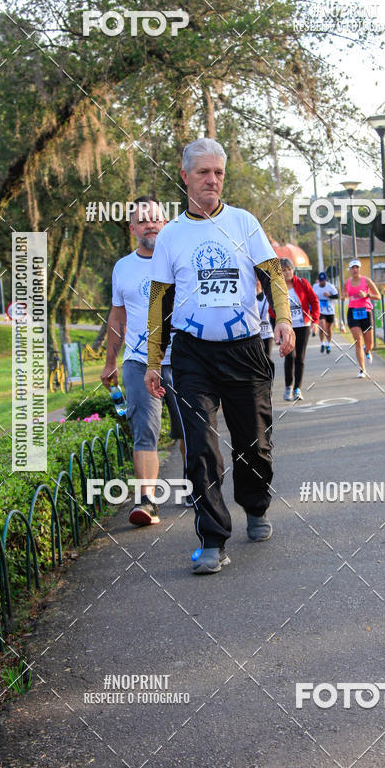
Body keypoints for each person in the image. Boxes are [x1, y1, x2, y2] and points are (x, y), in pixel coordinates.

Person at [144, 138, 294, 575]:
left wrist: (281, 318)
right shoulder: (171, 235)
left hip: (245, 350)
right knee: (201, 448)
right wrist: (155, 360)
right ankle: (212, 537)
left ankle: (256, 505)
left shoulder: (244, 223)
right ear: (186, 175)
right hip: (192, 355)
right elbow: (159, 302)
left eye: (219, 173)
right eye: (204, 172)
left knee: (255, 443)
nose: (212, 180)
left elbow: (273, 276)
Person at [100, 197, 184, 528]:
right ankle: (146, 501)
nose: (150, 224)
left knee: (190, 429)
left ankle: (198, 488)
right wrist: (110, 362)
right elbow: (117, 316)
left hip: (183, 357)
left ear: (165, 224)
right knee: (143, 431)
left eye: (156, 218)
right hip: (137, 360)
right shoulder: (122, 267)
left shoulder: (179, 260)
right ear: (133, 228)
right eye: (143, 220)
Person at [279, 258, 320, 401]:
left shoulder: (302, 283)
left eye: (289, 269)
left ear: (293, 270)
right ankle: (288, 387)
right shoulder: (277, 286)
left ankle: (297, 388)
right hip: (287, 327)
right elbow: (273, 307)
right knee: (290, 356)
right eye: (284, 270)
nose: (287, 272)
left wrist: (315, 320)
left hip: (303, 325)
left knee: (300, 357)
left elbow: (314, 301)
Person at [341, 259, 380, 378]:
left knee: (370, 344)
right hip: (353, 312)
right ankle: (362, 369)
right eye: (353, 268)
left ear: (359, 269)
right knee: (358, 341)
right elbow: (343, 295)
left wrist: (367, 295)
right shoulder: (347, 283)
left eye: (357, 267)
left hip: (365, 311)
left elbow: (378, 296)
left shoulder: (366, 281)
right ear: (350, 270)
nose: (355, 270)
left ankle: (367, 350)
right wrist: (343, 297)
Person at [312, 271, 339, 354]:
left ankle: (328, 344)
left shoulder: (330, 286)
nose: (322, 282)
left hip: (330, 310)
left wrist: (329, 296)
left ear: (326, 280)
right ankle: (322, 343)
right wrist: (315, 297)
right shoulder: (315, 287)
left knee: (329, 329)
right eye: (321, 280)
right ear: (319, 280)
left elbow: (337, 296)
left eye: (324, 280)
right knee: (322, 326)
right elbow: (311, 296)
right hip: (321, 310)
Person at [256, 278, 274, 366]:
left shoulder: (267, 297)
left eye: (258, 280)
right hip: (255, 336)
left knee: (267, 360)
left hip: (268, 333)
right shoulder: (247, 298)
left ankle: (269, 379)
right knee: (258, 362)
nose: (256, 283)